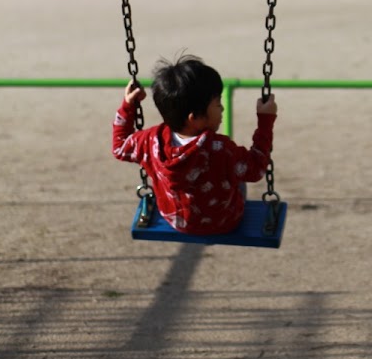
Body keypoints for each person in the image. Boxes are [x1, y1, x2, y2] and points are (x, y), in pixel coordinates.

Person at [113, 54, 278, 236]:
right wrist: (265, 121)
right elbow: (256, 170)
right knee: (239, 178)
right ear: (195, 118)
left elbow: (119, 146)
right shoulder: (221, 149)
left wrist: (128, 106)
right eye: (217, 104)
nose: (222, 108)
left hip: (176, 221)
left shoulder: (148, 141)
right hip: (223, 223)